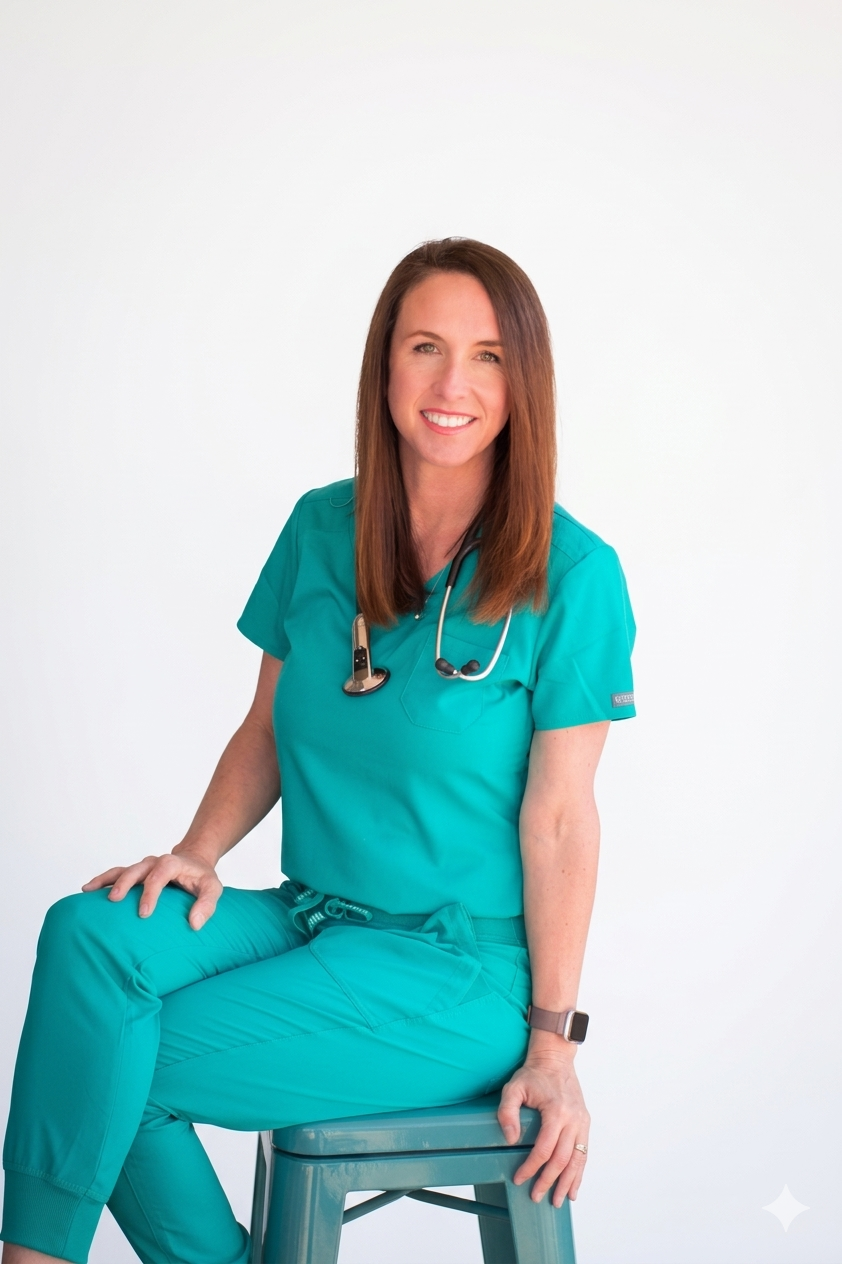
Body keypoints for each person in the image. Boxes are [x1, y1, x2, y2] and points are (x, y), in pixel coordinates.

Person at [1, 238, 636, 1264]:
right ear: (382, 365)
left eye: (486, 356)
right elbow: (266, 727)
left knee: (120, 1063)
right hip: (313, 916)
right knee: (90, 935)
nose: (450, 383)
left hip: (456, 970)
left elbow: (559, 817)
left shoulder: (571, 574)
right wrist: (196, 853)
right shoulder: (319, 530)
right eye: (424, 346)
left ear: (524, 383)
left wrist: (553, 1043)